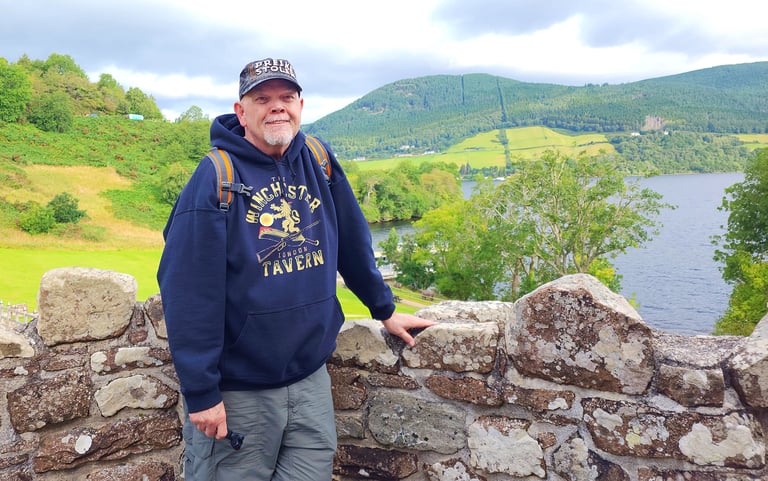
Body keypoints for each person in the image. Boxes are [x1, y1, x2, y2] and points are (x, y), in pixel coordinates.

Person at [157, 57, 435, 481]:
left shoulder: (318, 159)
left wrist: (385, 308)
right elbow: (188, 290)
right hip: (239, 392)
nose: (277, 107)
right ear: (241, 111)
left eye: (286, 97)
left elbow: (353, 241)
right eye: (263, 98)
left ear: (300, 105)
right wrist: (201, 393)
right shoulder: (215, 176)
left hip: (310, 382)